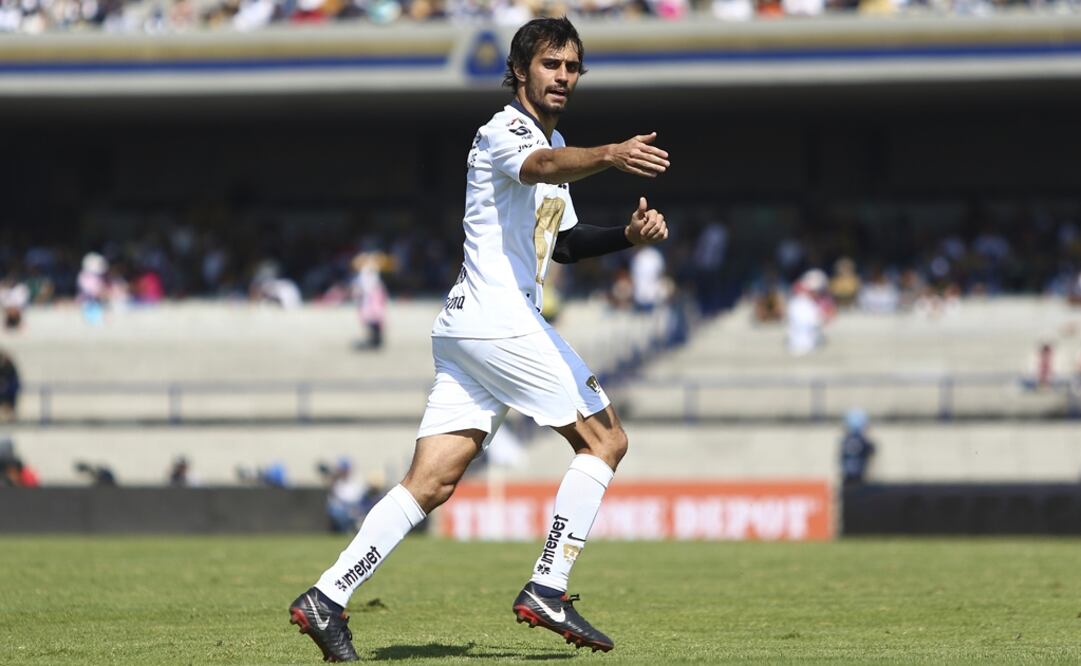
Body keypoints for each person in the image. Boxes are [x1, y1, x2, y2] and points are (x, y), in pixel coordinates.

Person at [287, 17, 670, 662]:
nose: (565, 77)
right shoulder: (505, 130)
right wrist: (609, 154)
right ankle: (549, 585)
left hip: (471, 328)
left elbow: (566, 243)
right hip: (500, 320)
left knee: (430, 482)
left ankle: (326, 598)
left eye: (573, 67)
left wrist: (627, 237)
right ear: (521, 70)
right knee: (606, 440)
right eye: (553, 64)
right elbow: (541, 165)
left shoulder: (556, 142)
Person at [840, 409, 876, 486]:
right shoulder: (862, 441)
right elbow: (871, 451)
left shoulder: (846, 440)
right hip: (858, 476)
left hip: (847, 477)